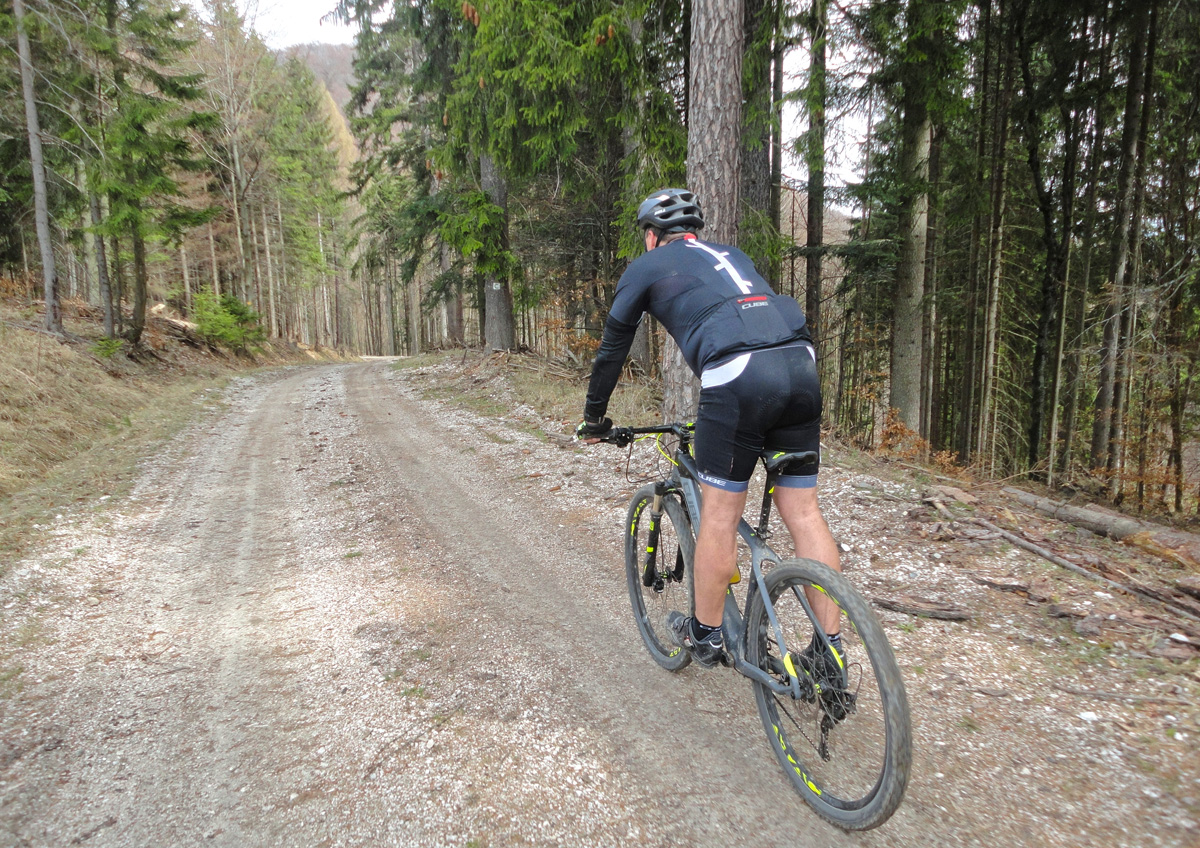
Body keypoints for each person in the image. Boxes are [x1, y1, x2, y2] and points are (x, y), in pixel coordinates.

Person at [576, 188, 844, 677]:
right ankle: (831, 655)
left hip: (739, 374)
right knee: (804, 511)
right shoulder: (732, 255)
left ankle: (705, 633)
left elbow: (613, 347)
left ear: (652, 236)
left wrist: (595, 418)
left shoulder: (646, 266)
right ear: (693, 231)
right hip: (801, 366)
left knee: (720, 513)